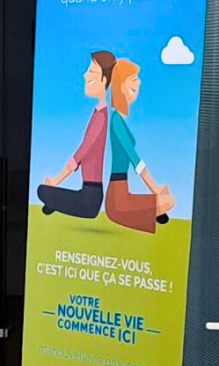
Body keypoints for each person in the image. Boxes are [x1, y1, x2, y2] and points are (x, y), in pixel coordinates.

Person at [37, 50, 113, 218]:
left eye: (91, 72)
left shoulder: (101, 117)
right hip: (88, 193)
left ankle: (52, 200)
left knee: (42, 190)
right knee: (46, 192)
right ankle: (53, 202)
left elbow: (81, 153)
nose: (85, 75)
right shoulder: (98, 113)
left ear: (103, 80)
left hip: (90, 199)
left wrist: (56, 180)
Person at [103, 59, 175, 232]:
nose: (139, 82)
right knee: (169, 200)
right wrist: (154, 188)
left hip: (122, 193)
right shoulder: (116, 122)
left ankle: (153, 213)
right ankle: (153, 213)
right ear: (122, 86)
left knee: (165, 195)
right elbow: (135, 159)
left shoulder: (119, 120)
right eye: (134, 80)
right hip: (117, 200)